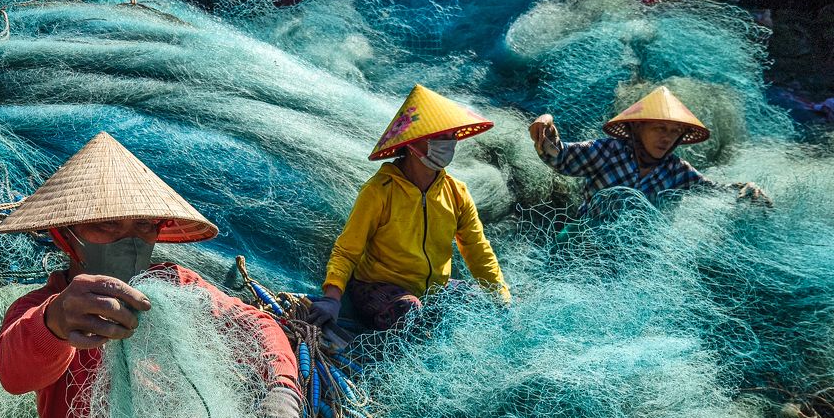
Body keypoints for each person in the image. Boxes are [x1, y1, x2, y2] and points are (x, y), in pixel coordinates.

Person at [0, 132, 302, 418]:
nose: (129, 240)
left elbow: (252, 323)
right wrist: (56, 323)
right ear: (65, 234)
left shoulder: (176, 286)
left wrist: (281, 387)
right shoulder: (43, 306)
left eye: (143, 225)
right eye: (106, 224)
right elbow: (15, 373)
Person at [309, 84, 511, 331]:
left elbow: (477, 249)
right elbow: (347, 249)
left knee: (478, 301)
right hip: (378, 286)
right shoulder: (380, 190)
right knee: (409, 310)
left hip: (432, 288)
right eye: (440, 136)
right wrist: (332, 298)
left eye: (451, 137)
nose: (449, 144)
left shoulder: (456, 193)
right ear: (413, 143)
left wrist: (501, 298)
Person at [528, 86, 770, 217]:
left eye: (675, 131)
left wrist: (745, 189)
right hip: (585, 244)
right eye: (659, 128)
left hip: (637, 256)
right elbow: (561, 157)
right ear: (637, 128)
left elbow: (714, 191)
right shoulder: (608, 151)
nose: (667, 137)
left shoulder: (677, 171)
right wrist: (546, 124)